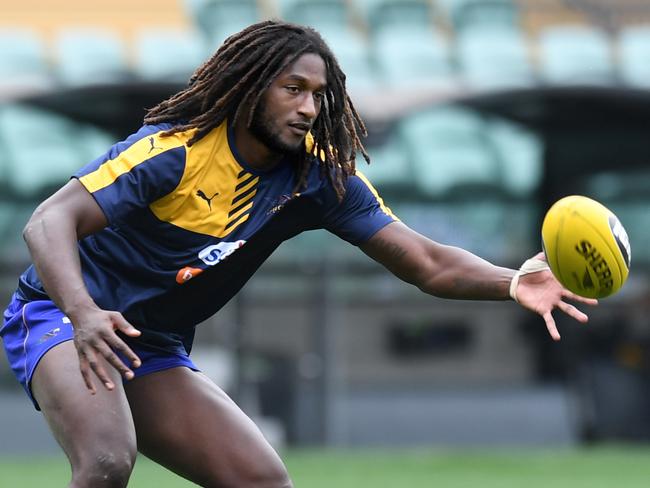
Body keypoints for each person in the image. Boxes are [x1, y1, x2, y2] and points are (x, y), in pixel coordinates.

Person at [0, 20, 596, 488]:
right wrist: (83, 314)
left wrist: (513, 280)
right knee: (107, 461)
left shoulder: (319, 181)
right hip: (59, 315)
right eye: (293, 89)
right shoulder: (173, 152)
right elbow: (48, 222)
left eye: (319, 94)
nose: (309, 108)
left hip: (148, 346)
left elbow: (427, 262)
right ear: (249, 87)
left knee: (260, 479)